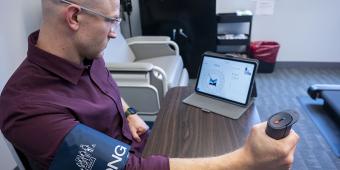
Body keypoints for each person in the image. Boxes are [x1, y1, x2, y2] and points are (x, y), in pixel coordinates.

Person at [0, 0, 299, 169]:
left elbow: (108, 88)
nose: (115, 33)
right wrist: (247, 159)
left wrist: (127, 111)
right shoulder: (27, 109)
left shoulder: (84, 54)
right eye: (112, 21)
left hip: (141, 146)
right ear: (75, 16)